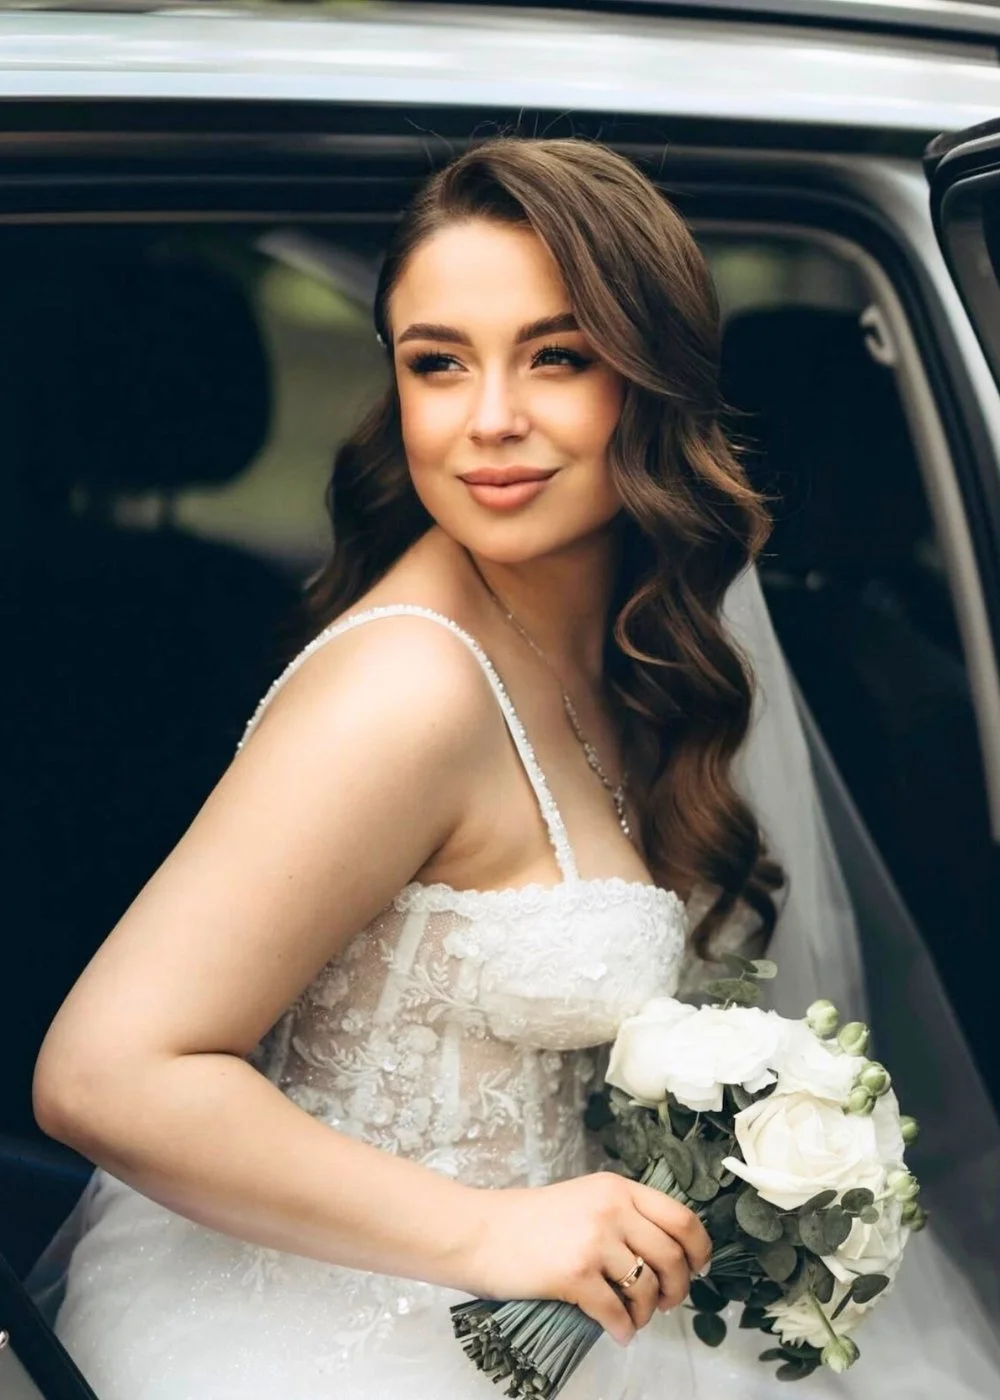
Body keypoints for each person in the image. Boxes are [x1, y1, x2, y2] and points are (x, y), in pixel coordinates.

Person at [29, 139, 1000, 1398]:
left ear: (648, 381)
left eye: (556, 356)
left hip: (562, 1323)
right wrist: (487, 1231)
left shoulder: (629, 652)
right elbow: (104, 1071)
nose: (489, 418)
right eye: (438, 362)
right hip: (352, 1338)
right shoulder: (406, 688)